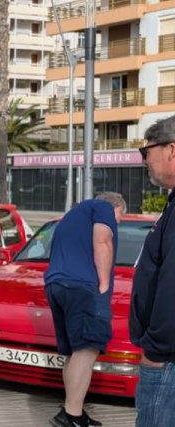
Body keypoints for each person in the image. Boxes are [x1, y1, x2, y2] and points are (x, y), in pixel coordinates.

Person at [44, 192, 125, 427]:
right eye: (120, 217)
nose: (117, 222)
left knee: (74, 352)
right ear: (117, 206)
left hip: (57, 286)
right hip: (83, 287)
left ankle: (72, 410)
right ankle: (71, 415)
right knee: (88, 349)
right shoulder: (102, 207)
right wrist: (104, 283)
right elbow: (103, 239)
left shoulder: (71, 217)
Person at [132, 118, 175, 427]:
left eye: (146, 150)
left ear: (171, 150)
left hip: (168, 361)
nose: (144, 159)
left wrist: (157, 350)